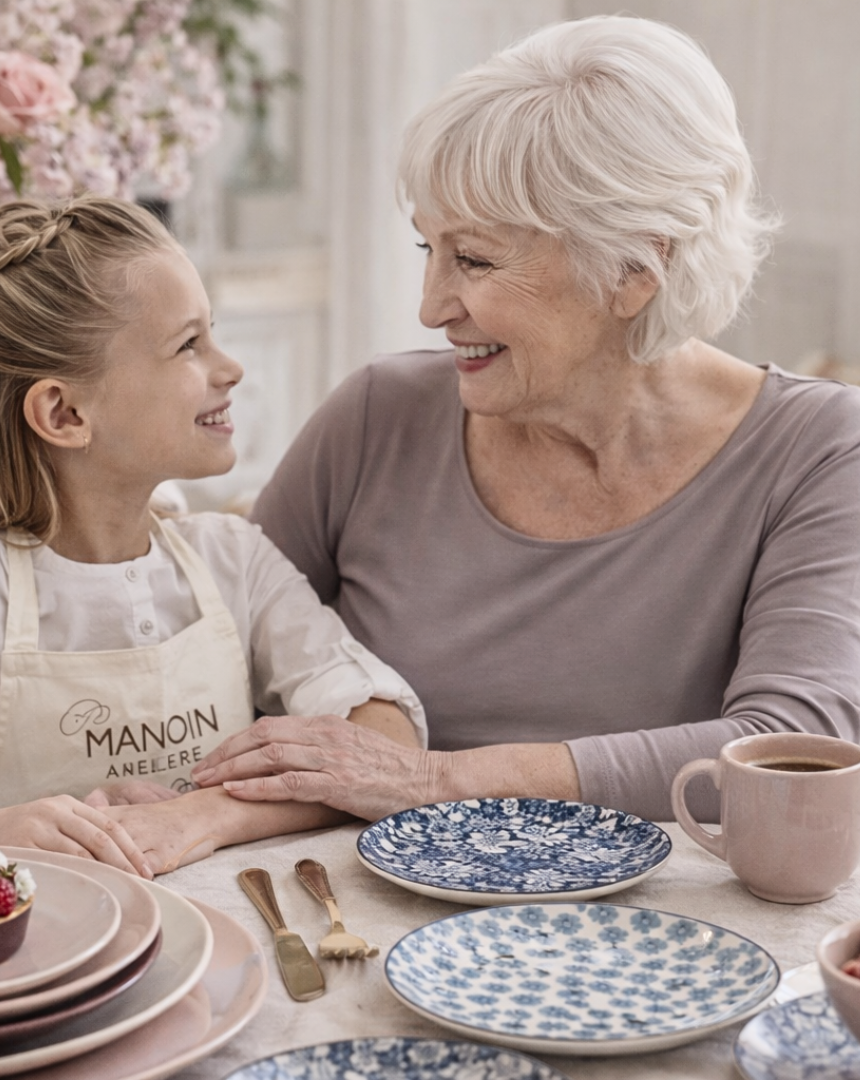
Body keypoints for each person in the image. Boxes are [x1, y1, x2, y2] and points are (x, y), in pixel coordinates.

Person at [191, 15, 860, 824]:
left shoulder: (820, 448)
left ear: (635, 269)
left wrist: (432, 780)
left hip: (653, 936)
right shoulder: (375, 417)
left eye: (473, 259)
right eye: (427, 251)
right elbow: (211, 658)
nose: (432, 306)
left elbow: (797, 744)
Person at [0, 194, 424, 872]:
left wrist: (201, 817)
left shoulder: (231, 560)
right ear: (63, 412)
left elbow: (388, 744)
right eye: (188, 345)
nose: (229, 368)